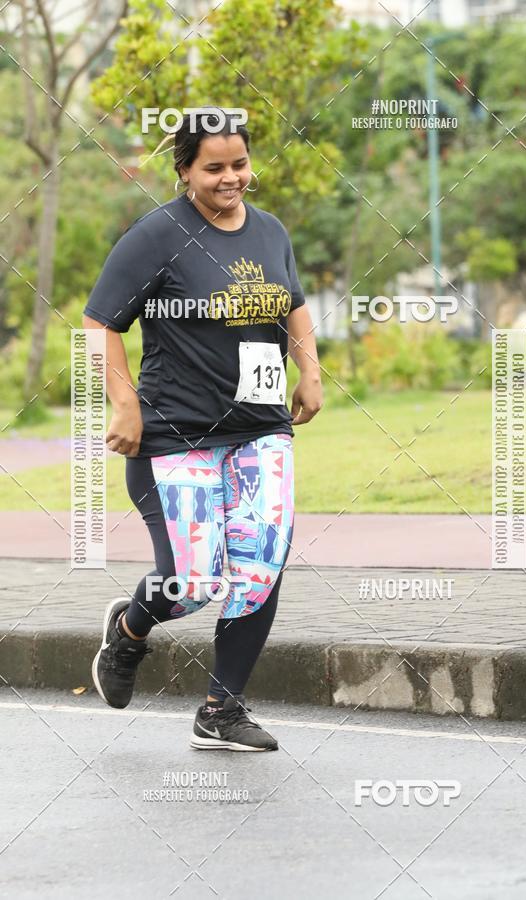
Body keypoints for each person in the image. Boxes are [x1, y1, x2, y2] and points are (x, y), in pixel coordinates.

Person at [83, 111, 322, 751]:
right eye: (213, 167)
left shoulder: (270, 232)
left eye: (238, 164)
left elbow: (294, 305)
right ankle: (130, 629)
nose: (230, 178)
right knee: (192, 583)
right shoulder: (158, 235)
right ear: (185, 170)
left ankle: (222, 711)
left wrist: (312, 373)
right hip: (174, 434)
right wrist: (125, 404)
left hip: (261, 428)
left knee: (261, 565)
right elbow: (100, 323)